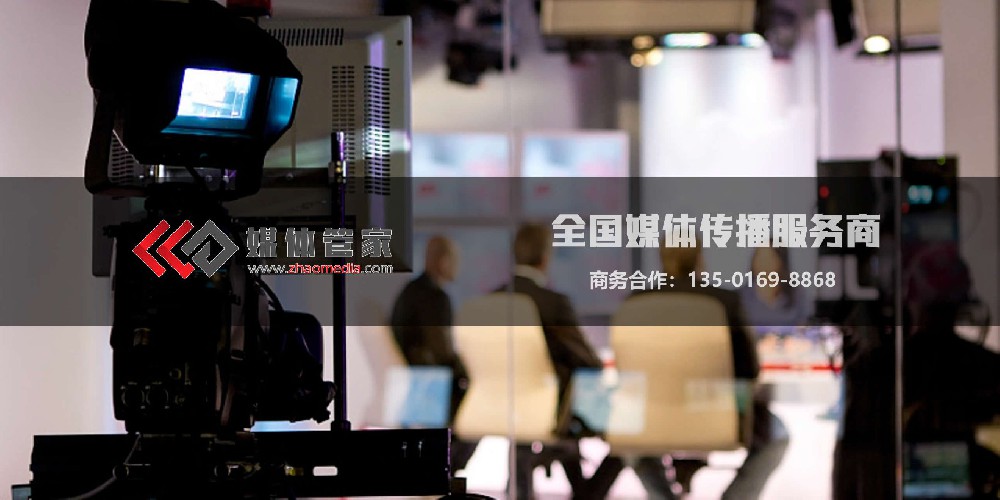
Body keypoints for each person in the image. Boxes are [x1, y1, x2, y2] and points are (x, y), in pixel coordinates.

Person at [589, 244, 788, 500]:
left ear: (661, 260)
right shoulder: (724, 301)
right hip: (714, 413)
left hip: (650, 415)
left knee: (629, 431)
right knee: (777, 435)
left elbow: (626, 373)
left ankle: (662, 496)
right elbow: (749, 370)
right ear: (700, 260)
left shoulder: (632, 304)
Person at [496, 223, 603, 499]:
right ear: (545, 258)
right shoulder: (553, 303)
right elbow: (588, 362)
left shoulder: (490, 301)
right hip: (549, 406)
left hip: (499, 402)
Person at [389, 235, 476, 472]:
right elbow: (442, 353)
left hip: (411, 386)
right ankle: (446, 470)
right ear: (443, 261)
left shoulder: (410, 292)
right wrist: (470, 371)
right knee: (480, 405)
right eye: (455, 259)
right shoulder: (436, 298)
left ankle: (439, 471)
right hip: (431, 388)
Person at [739, 247, 810, 331]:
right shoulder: (741, 295)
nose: (763, 263)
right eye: (760, 257)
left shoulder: (796, 292)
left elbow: (804, 325)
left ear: (781, 260)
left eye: (769, 257)